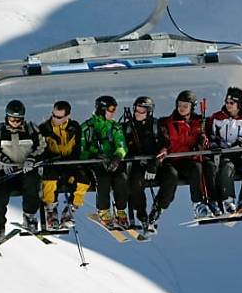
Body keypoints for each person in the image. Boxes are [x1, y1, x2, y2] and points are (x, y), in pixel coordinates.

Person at [0, 99, 47, 248]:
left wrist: (32, 159)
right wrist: (4, 161)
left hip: (27, 170)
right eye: (12, 119)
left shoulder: (31, 129)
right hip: (8, 171)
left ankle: (29, 216)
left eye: (18, 119)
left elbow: (42, 146)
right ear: (7, 117)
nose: (15, 122)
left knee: (33, 182)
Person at [153, 90, 213, 222]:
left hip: (187, 160)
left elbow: (205, 142)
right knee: (171, 177)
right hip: (171, 161)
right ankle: (158, 208)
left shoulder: (199, 122)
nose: (181, 108)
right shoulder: (166, 122)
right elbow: (164, 141)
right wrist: (163, 150)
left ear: (192, 107)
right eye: (179, 105)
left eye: (185, 106)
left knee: (197, 168)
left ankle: (198, 204)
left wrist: (203, 142)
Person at [208, 87, 242, 214]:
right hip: (225, 154)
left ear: (238, 104)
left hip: (241, 154)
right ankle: (228, 200)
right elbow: (207, 134)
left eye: (231, 103)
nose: (228, 105)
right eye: (226, 102)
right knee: (227, 167)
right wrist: (214, 144)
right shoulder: (217, 118)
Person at [37, 100, 90, 228]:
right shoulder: (45, 128)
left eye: (59, 117)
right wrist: (49, 158)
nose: (55, 119)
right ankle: (50, 209)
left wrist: (73, 163)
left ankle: (71, 209)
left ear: (67, 116)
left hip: (69, 163)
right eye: (53, 115)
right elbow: (40, 149)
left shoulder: (74, 127)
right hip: (52, 163)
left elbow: (77, 148)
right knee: (50, 177)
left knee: (83, 179)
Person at [80, 95, 129, 227]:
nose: (114, 113)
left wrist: (118, 156)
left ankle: (121, 210)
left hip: (111, 161)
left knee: (121, 178)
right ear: (102, 109)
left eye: (115, 109)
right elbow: (81, 149)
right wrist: (91, 157)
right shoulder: (87, 127)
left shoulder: (115, 127)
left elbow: (121, 144)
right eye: (111, 109)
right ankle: (103, 210)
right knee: (103, 179)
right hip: (95, 163)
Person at [123, 96, 165, 230]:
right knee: (135, 181)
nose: (138, 114)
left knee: (171, 176)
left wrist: (155, 164)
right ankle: (141, 214)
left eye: (142, 111)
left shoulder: (155, 125)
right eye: (136, 110)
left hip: (155, 164)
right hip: (136, 165)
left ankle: (158, 208)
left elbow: (164, 146)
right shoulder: (127, 127)